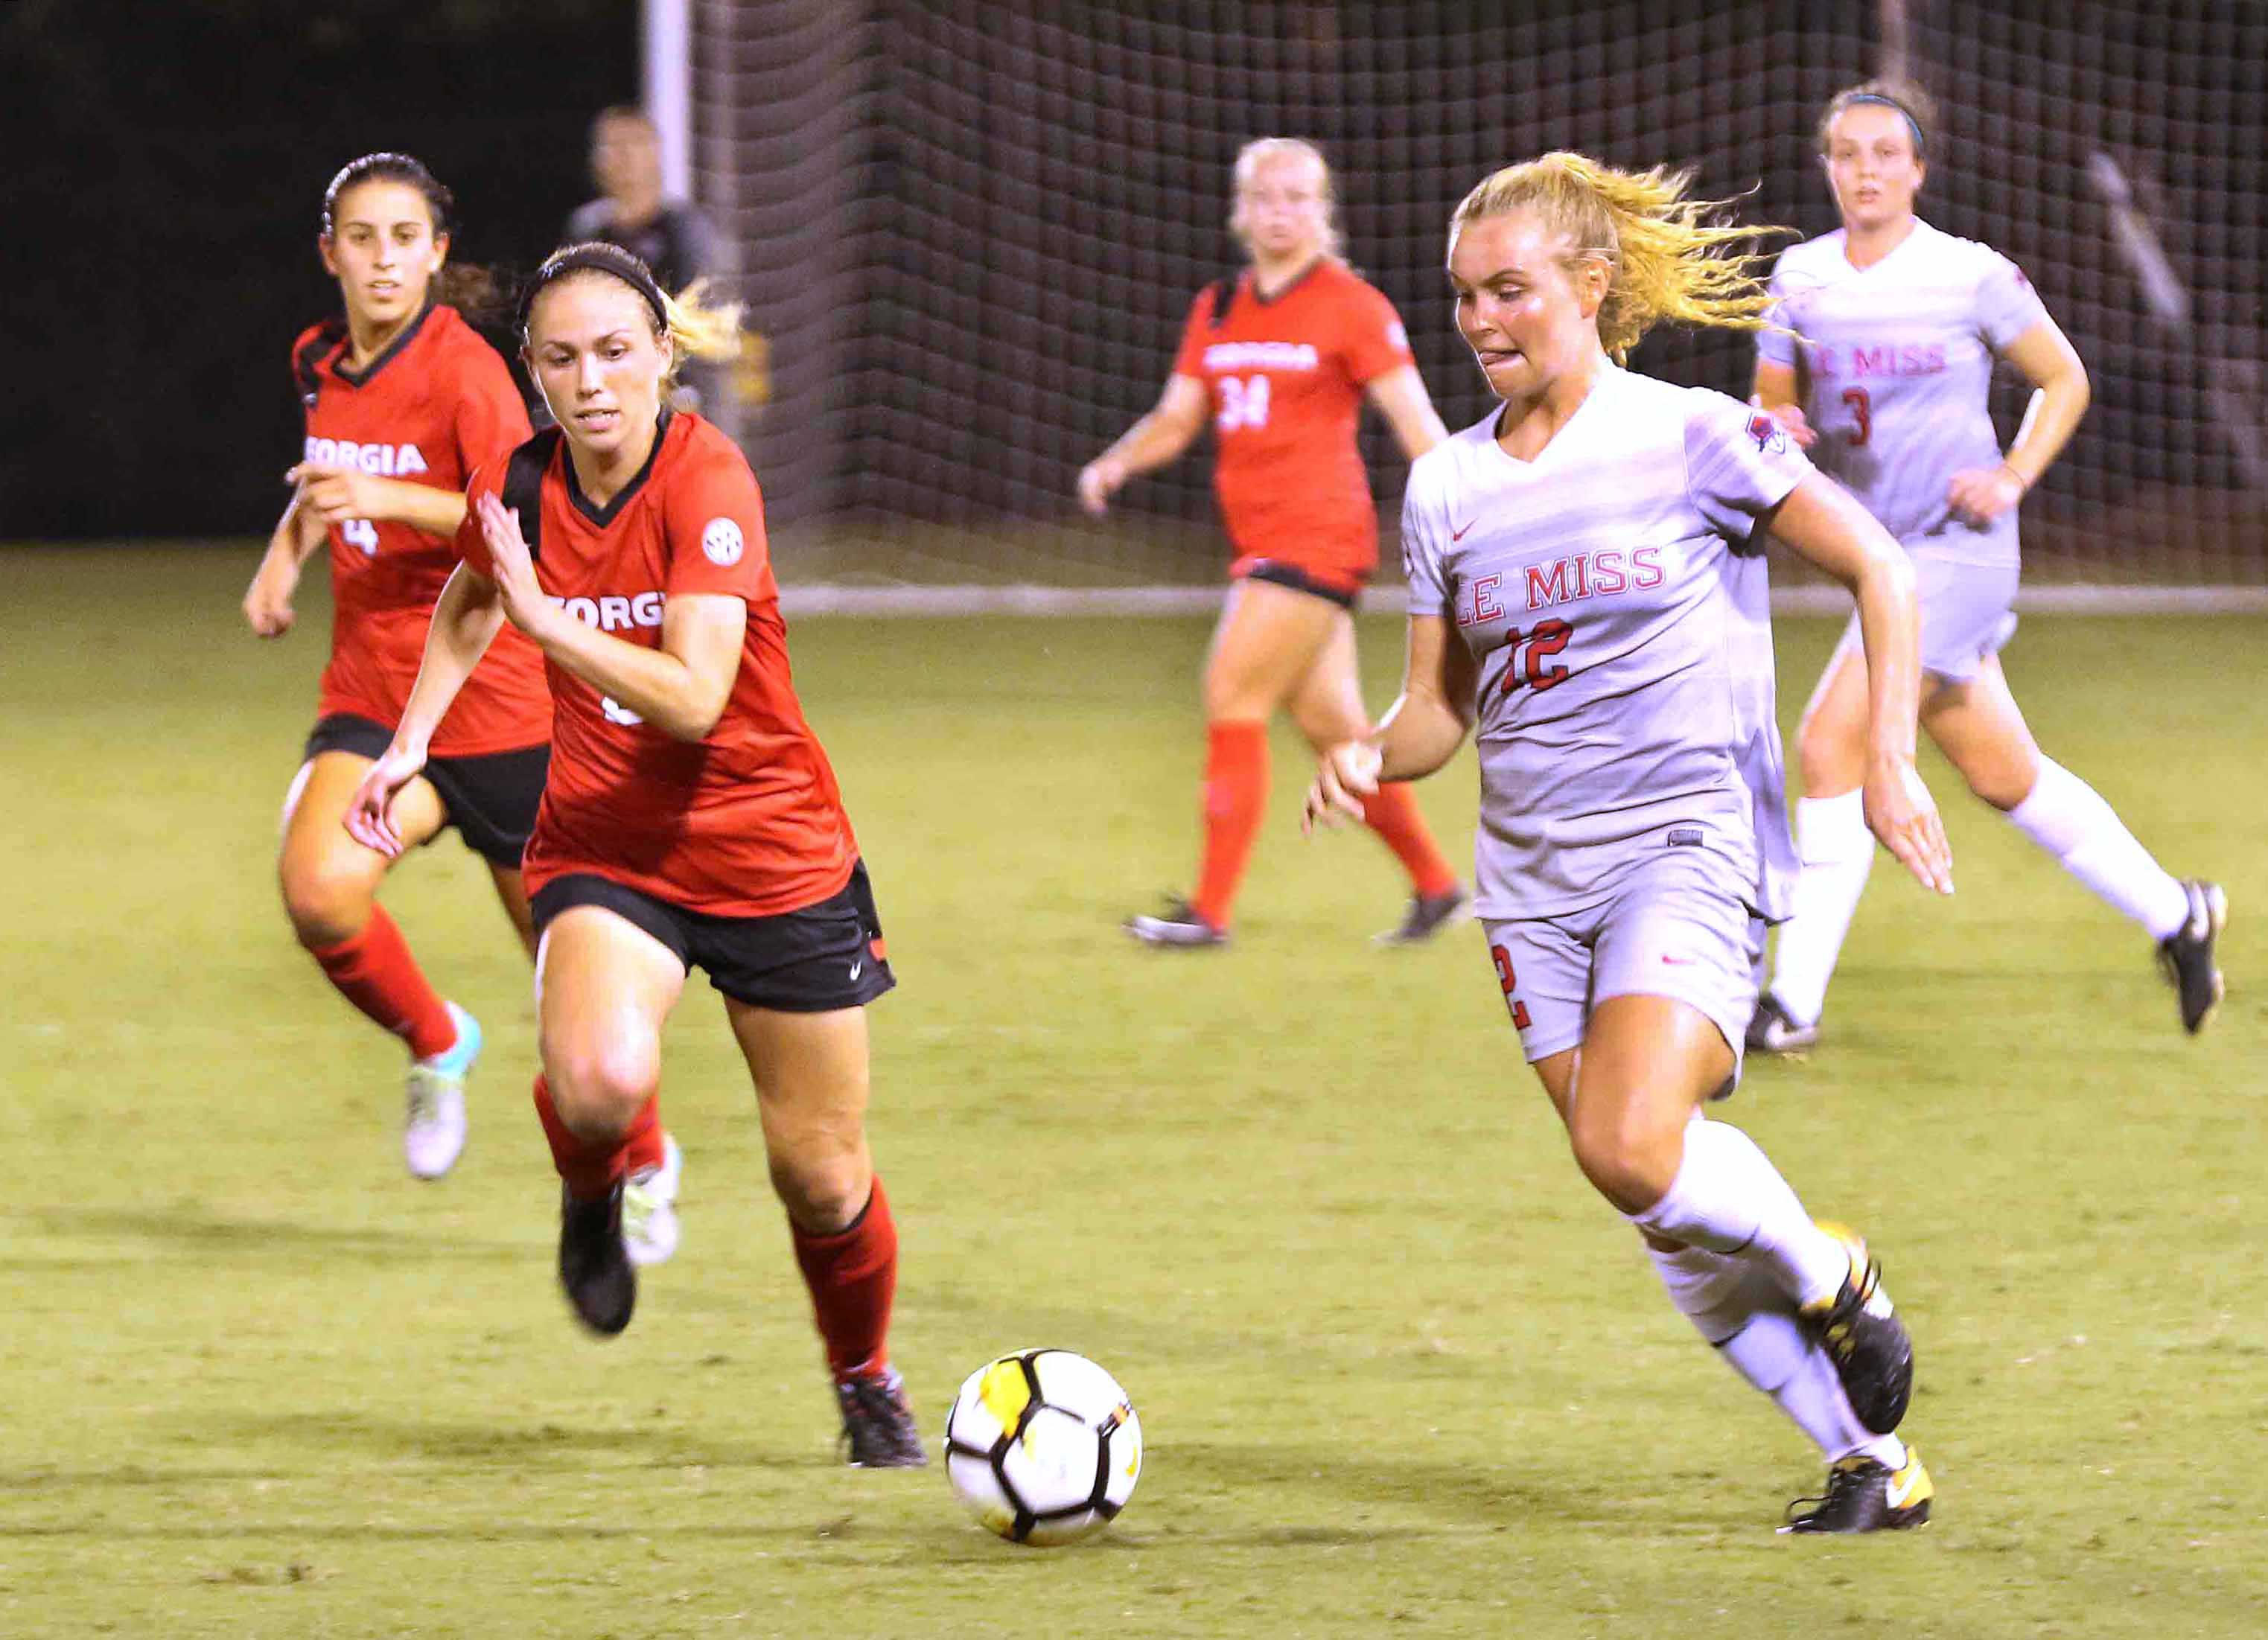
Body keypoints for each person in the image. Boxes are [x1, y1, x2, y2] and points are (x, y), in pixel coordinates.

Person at [1307, 153, 1953, 1531]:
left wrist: (1888, 756)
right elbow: (1439, 711)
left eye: (1511, 290)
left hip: (1687, 841)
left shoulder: (1692, 433)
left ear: (1592, 286)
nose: (1482, 322)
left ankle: (1835, 1275)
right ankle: (1870, 1462)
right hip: (1531, 885)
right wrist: (1369, 748)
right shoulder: (1446, 490)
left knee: (1628, 1143)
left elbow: (1881, 569)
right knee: (1655, 1198)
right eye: (1463, 296)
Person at [345, 243, 923, 1467]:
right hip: (608, 847)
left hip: (771, 854)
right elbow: (473, 595)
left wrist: (548, 617)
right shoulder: (528, 475)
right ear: (534, 374)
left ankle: (864, 1375)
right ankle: (591, 1189)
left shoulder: (708, 481)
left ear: (663, 355)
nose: (590, 381)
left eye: (615, 352)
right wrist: (407, 744)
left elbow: (697, 696)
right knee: (600, 1076)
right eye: (561, 359)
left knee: (819, 1178)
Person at [1745, 82, 2226, 1055]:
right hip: (1880, 559)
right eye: (1846, 152)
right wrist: (1777, 426)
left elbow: (2063, 377)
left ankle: (1787, 1004)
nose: (1866, 168)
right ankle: (2178, 914)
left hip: (1957, 554)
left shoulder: (1969, 275)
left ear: (1918, 170)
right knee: (2003, 771)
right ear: (1825, 167)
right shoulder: (1798, 277)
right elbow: (1768, 403)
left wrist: (2011, 473)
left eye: (1886, 152)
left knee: (1829, 743)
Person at [242, 151, 561, 1186]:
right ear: (329, 252)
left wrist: (387, 502)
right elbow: (326, 476)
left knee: (571, 991)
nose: (384, 261)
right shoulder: (317, 358)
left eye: (405, 240)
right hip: (375, 698)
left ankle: (639, 1164)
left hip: (500, 706)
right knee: (320, 892)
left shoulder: (468, 372)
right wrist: (280, 563)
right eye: (364, 240)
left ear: (437, 253)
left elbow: (521, 523)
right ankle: (438, 1040)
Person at [1077, 137, 1466, 948]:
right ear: (1240, 210)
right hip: (1260, 540)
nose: (1281, 211)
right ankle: (1436, 888)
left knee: (1230, 695)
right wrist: (1117, 460)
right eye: (1265, 196)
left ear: (1323, 212)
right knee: (1336, 734)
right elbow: (1180, 417)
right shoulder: (1220, 306)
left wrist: (1477, 512)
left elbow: (1416, 426)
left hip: (1317, 538)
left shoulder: (1353, 305)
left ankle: (1209, 914)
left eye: (1298, 197)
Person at [565, 106, 724, 414]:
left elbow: (703, 317)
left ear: (656, 155)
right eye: (612, 146)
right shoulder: (586, 229)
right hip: (604, 384)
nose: (623, 158)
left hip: (674, 387)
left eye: (633, 145)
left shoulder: (686, 229)